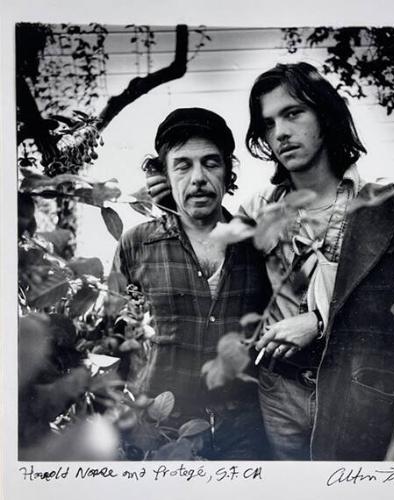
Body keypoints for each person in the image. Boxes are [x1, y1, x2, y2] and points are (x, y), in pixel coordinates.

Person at [146, 63, 394, 461]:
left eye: (293, 114)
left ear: (325, 115)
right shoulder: (257, 211)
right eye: (268, 124)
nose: (280, 132)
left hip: (357, 398)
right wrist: (172, 201)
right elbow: (208, 256)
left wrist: (320, 322)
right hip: (275, 396)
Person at [113, 107, 271, 460]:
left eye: (211, 163)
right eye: (183, 165)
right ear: (164, 176)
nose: (198, 178)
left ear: (228, 171)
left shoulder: (258, 243)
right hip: (158, 434)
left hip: (243, 437)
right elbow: (115, 341)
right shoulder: (136, 243)